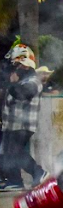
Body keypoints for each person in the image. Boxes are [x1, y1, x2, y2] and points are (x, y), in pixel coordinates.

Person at [0, 43, 46, 191]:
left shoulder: (33, 81)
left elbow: (22, 94)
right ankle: (15, 180)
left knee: (15, 151)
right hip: (12, 124)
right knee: (8, 152)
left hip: (24, 125)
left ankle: (39, 171)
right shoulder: (21, 80)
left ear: (25, 64)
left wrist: (11, 83)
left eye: (18, 64)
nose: (15, 68)